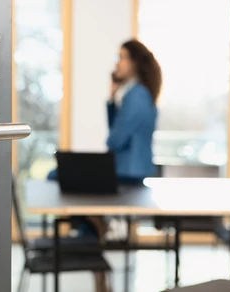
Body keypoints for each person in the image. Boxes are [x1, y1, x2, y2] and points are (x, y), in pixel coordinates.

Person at [47, 39, 162, 238]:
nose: (117, 63)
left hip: (127, 172)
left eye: (122, 57)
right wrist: (112, 99)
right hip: (125, 169)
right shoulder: (135, 94)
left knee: (56, 176)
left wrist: (114, 102)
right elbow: (115, 133)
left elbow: (114, 140)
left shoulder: (137, 96)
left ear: (134, 62)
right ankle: (92, 235)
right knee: (75, 188)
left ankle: (91, 237)